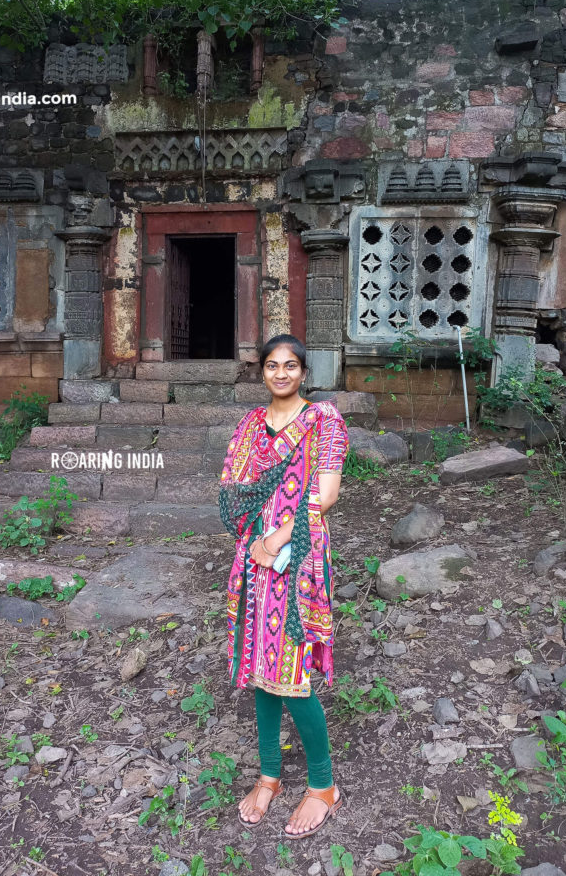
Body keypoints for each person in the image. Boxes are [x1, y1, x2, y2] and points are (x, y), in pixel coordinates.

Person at [219, 334, 349, 840]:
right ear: (263, 373)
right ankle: (269, 775)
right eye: (272, 365)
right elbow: (231, 487)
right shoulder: (250, 425)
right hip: (253, 559)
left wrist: (275, 537)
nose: (280, 373)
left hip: (299, 560)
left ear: (303, 372)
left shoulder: (324, 422)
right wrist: (254, 541)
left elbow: (326, 493)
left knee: (291, 672)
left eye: (290, 365)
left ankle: (323, 786)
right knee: (258, 666)